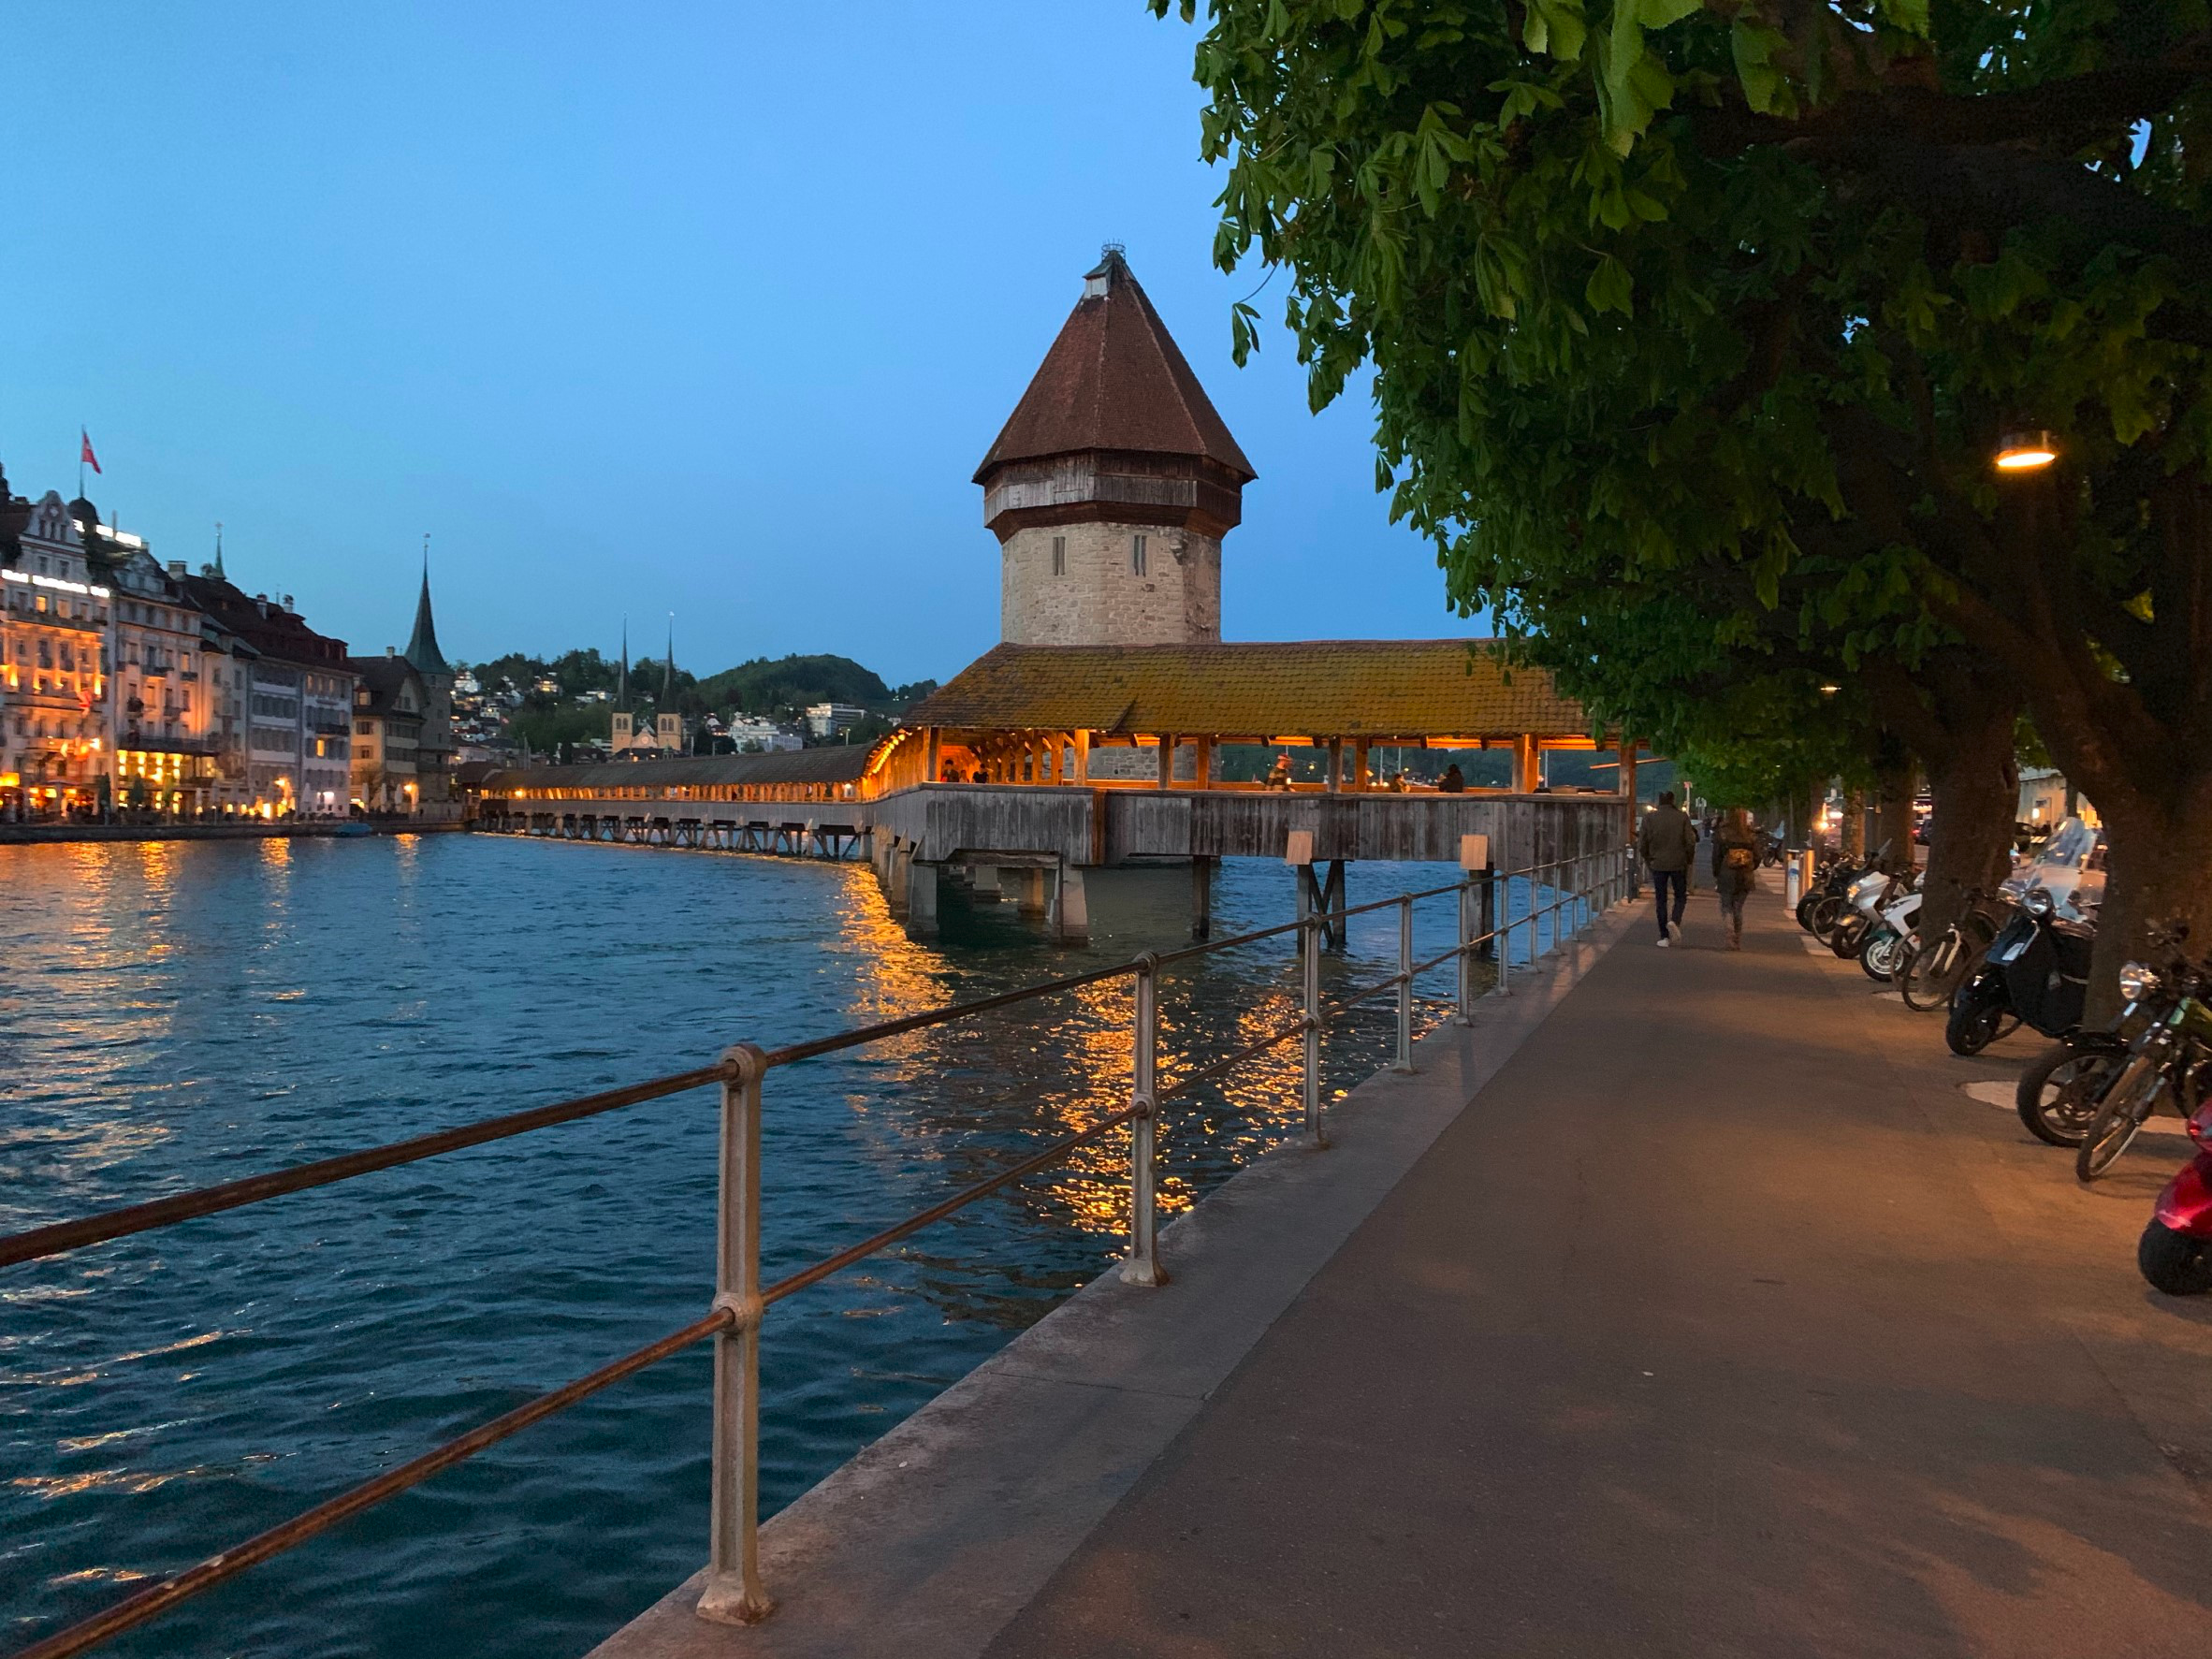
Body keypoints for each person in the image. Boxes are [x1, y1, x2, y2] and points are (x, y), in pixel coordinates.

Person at [1637, 789, 1697, 945]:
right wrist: (1688, 859)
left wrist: (1648, 859)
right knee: (1680, 896)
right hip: (1679, 862)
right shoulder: (1682, 817)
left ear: (1659, 801)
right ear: (1672, 800)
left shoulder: (1649, 818)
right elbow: (1690, 841)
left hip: (1657, 863)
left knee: (1661, 899)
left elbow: (1642, 843)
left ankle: (1664, 936)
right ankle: (1675, 920)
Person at [1710, 807, 1761, 951]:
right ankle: (1737, 938)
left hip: (1727, 873)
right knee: (1738, 907)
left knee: (1726, 905)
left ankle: (1729, 930)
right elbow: (1758, 856)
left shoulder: (1723, 833)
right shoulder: (1750, 835)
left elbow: (1716, 856)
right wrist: (1751, 867)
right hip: (1745, 875)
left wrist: (1717, 873)